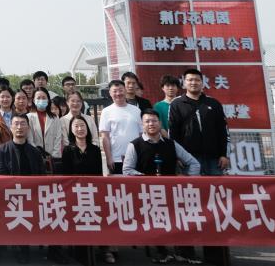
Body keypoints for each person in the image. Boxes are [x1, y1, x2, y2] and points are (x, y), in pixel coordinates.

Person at [123, 110, 201, 264]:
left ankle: (184, 251)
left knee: (183, 216)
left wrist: (188, 182)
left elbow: (194, 163)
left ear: (160, 123)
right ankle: (160, 250)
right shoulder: (135, 145)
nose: (151, 124)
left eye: (154, 121)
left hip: (172, 193)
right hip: (147, 195)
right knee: (154, 217)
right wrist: (147, 180)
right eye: (147, 121)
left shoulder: (171, 144)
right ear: (142, 125)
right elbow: (127, 170)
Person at [0, 114, 45, 264]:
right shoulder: (2, 150)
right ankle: (19, 248)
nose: (19, 127)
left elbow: (42, 176)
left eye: (23, 124)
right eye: (16, 124)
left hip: (32, 196)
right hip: (10, 196)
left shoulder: (35, 152)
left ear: (28, 128)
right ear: (10, 127)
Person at [169, 68, 230, 176]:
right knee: (191, 186)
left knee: (215, 186)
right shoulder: (176, 104)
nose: (193, 82)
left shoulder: (213, 103)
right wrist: (176, 156)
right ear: (184, 83)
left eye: (197, 80)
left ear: (202, 83)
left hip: (214, 158)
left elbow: (223, 130)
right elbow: (173, 132)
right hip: (188, 159)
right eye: (190, 80)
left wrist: (224, 155)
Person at [99, 79, 142, 175]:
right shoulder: (106, 111)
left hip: (136, 156)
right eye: (115, 91)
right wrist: (109, 157)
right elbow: (105, 137)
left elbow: (141, 134)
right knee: (118, 183)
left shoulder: (136, 110)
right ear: (110, 93)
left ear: (125, 90)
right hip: (116, 158)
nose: (118, 94)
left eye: (121, 90)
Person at [28, 87, 64, 172]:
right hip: (35, 157)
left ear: (48, 100)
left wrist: (54, 155)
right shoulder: (28, 117)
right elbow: (29, 139)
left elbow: (58, 137)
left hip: (53, 158)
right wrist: (37, 155)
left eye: (44, 98)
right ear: (33, 100)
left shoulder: (55, 117)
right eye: (38, 98)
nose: (41, 100)